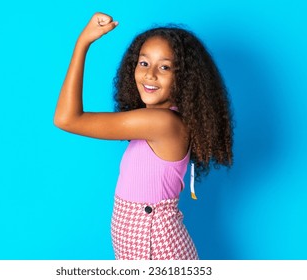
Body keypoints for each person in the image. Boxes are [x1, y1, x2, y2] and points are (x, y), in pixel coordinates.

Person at [54, 12, 233, 260]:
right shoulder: (159, 119)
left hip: (156, 248)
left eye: (165, 67)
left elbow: (67, 118)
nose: (150, 75)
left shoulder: (161, 122)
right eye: (144, 63)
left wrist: (82, 43)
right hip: (149, 243)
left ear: (184, 78)